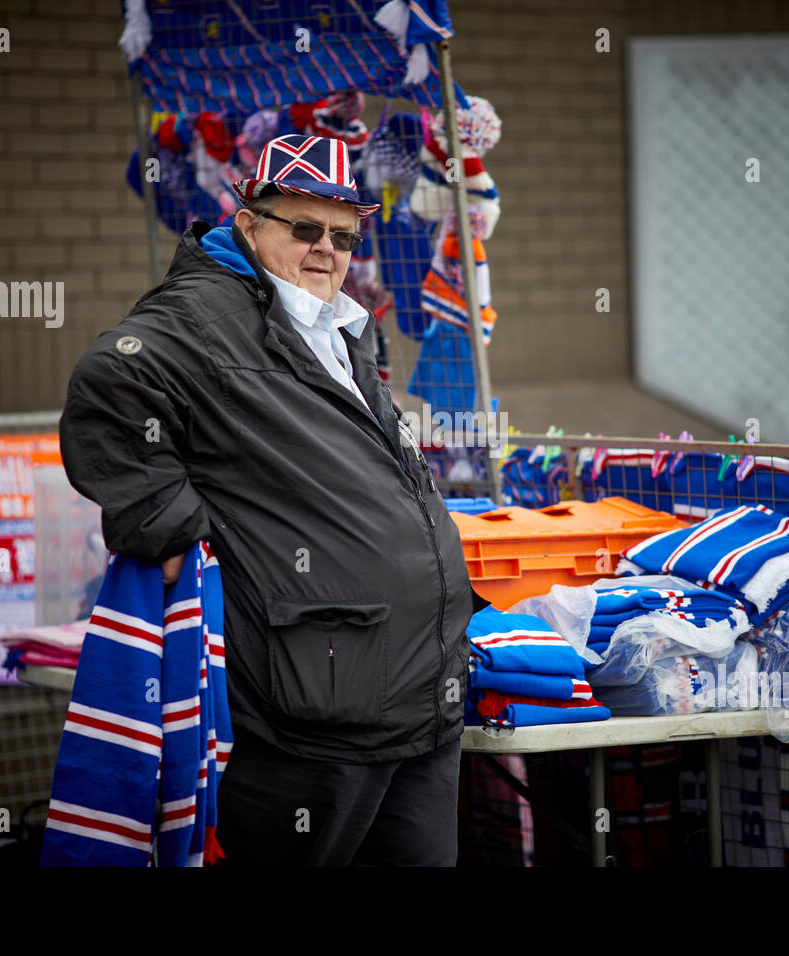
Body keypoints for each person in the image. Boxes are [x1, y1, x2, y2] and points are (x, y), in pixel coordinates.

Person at [59, 133, 487, 866]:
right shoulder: (207, 312)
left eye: (345, 236)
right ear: (251, 222)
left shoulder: (330, 322)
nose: (327, 248)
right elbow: (109, 384)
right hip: (315, 709)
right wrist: (166, 524)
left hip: (416, 697)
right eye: (306, 228)